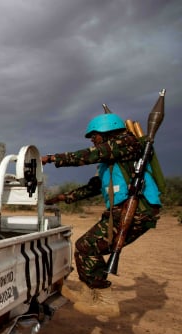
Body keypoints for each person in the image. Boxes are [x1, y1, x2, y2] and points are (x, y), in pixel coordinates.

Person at [42, 113, 161, 317]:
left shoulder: (126, 143)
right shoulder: (111, 161)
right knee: (84, 247)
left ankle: (104, 299)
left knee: (85, 247)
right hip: (121, 212)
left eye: (94, 136)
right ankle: (91, 295)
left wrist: (53, 158)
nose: (92, 141)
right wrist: (62, 197)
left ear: (106, 132)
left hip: (136, 211)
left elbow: (89, 155)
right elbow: (94, 187)